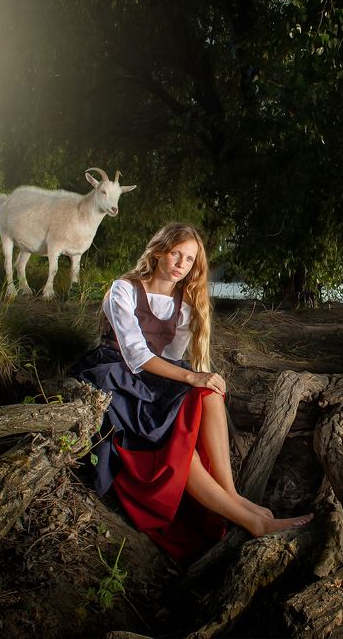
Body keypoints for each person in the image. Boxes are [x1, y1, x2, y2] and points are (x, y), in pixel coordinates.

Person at [74, 222, 312, 562]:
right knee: (179, 436)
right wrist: (191, 377)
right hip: (115, 376)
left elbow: (172, 358)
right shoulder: (123, 289)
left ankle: (231, 494)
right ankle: (253, 522)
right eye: (176, 254)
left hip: (151, 377)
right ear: (158, 252)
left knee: (209, 392)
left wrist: (201, 379)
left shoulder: (182, 303)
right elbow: (136, 355)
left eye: (189, 260)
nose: (181, 264)